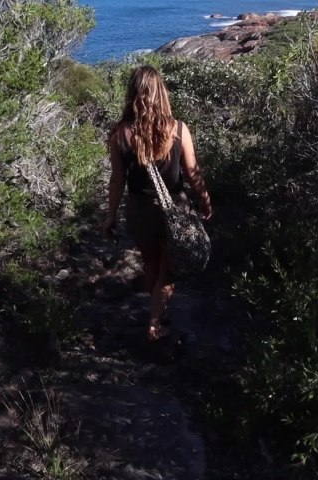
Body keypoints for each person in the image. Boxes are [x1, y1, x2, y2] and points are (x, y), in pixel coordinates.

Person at [102, 65, 213, 342]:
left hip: (139, 211)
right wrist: (205, 201)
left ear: (132, 93)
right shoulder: (179, 129)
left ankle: (156, 312)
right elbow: (193, 173)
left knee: (151, 263)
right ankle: (155, 321)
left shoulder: (119, 134)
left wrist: (111, 216)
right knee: (169, 269)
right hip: (175, 208)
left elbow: (117, 181)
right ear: (161, 93)